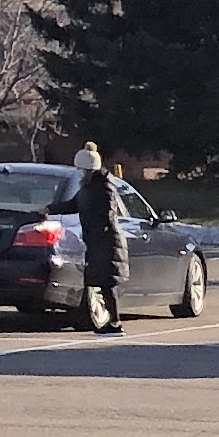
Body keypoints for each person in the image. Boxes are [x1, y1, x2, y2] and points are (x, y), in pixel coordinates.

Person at [73, 141, 126, 334]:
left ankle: (115, 323)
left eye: (81, 170)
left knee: (107, 283)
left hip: (106, 242)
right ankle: (110, 321)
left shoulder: (103, 185)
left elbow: (108, 211)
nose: (80, 173)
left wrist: (100, 229)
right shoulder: (89, 187)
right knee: (101, 282)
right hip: (97, 241)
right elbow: (74, 204)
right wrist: (50, 208)